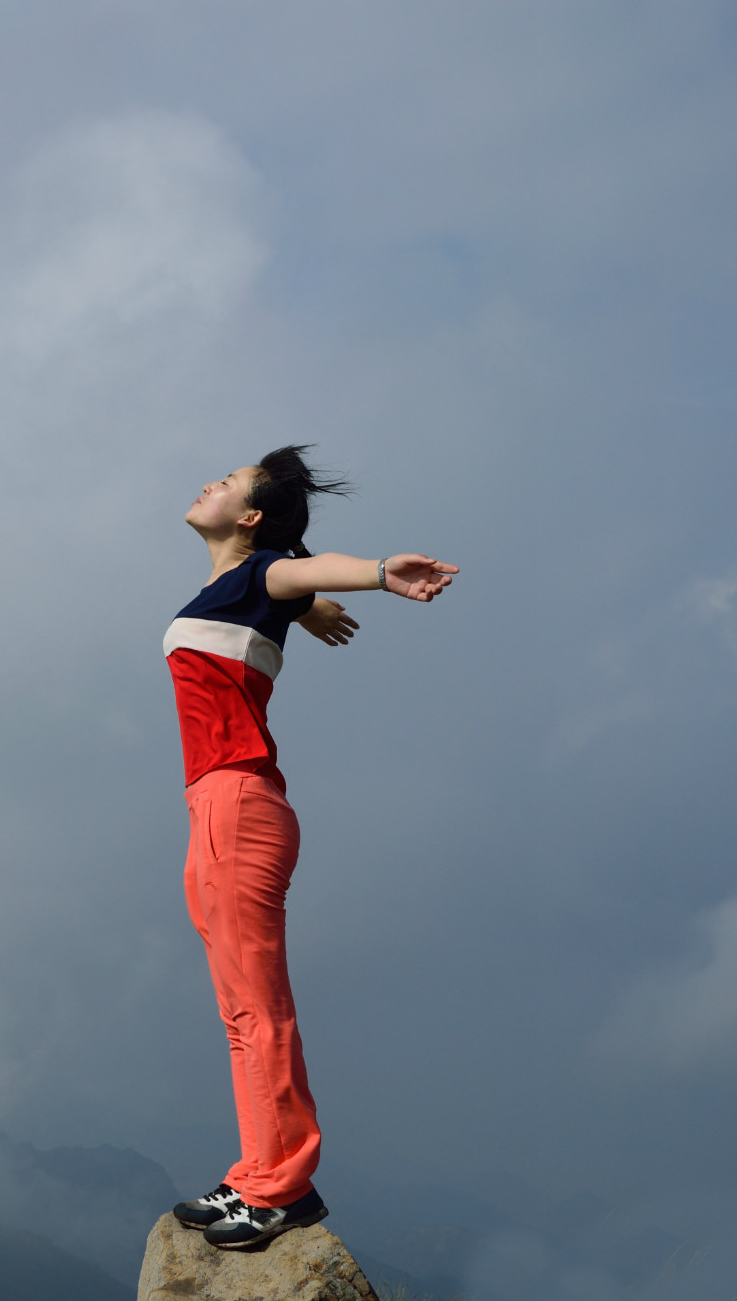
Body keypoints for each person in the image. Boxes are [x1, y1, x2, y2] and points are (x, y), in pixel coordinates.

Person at [162, 445, 455, 1250]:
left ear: (251, 518)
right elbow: (294, 582)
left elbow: (301, 569)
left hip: (238, 803)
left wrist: (376, 571)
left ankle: (281, 1187)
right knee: (240, 1011)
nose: (207, 483)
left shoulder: (262, 577)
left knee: (259, 1008)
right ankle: (258, 1172)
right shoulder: (245, 589)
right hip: (215, 806)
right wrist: (310, 604)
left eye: (226, 484)